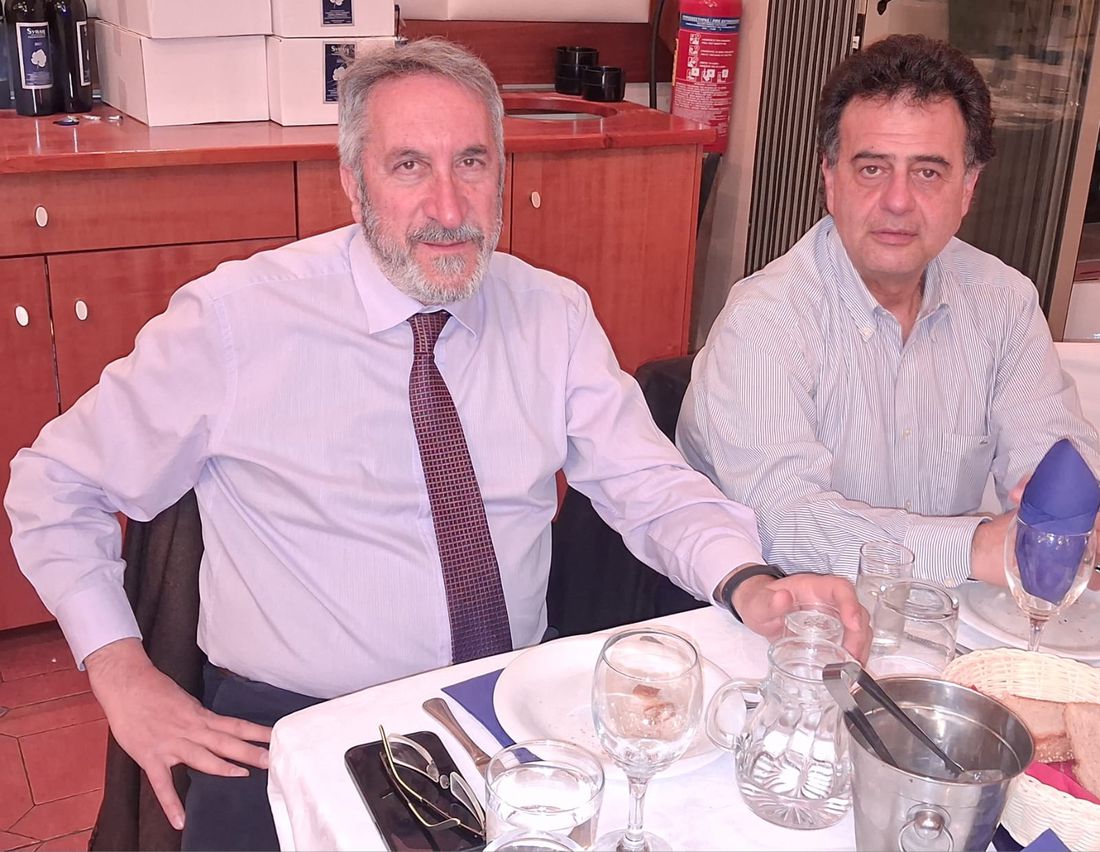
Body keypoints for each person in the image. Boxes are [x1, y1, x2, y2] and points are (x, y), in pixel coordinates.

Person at [4, 39, 869, 851]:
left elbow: (648, 483)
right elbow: (52, 486)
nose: (449, 210)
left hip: (507, 706)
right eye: (409, 166)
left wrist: (749, 581)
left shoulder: (552, 315)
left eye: (472, 163)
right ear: (354, 184)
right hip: (294, 723)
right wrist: (122, 674)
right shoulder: (235, 323)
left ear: (504, 175)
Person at [677, 34, 1100, 591]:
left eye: (928, 173)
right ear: (830, 180)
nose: (898, 201)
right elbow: (784, 522)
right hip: (789, 621)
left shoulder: (1005, 302)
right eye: (872, 169)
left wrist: (1067, 507)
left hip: (941, 616)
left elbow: (1054, 457)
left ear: (968, 188)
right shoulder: (765, 319)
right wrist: (975, 547)